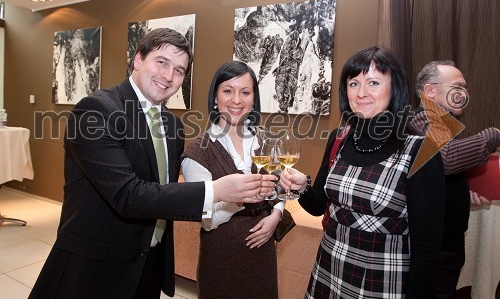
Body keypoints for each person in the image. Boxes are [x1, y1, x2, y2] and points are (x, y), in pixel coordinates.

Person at [29, 28, 275, 299]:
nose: (169, 76)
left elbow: (164, 195)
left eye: (179, 70)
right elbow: (127, 195)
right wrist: (216, 191)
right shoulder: (96, 111)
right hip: (95, 266)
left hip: (148, 264)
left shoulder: (173, 126)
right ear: (137, 60)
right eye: (161, 62)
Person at [280, 46, 446, 298]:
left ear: (395, 88)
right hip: (328, 272)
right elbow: (318, 206)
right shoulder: (339, 139)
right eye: (354, 83)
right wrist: (302, 186)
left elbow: (427, 249)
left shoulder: (420, 150)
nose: (362, 93)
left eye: (374, 82)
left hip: (382, 283)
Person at [181, 60, 284, 299]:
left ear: (253, 99)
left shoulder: (266, 140)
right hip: (222, 258)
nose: (237, 100)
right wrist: (241, 199)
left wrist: (276, 215)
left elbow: (279, 186)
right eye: (228, 91)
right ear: (215, 98)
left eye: (245, 92)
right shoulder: (198, 152)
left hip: (263, 256)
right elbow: (207, 220)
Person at [408, 60, 500, 298]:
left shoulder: (443, 125)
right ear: (430, 91)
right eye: (458, 86)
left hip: (447, 242)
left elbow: (437, 173)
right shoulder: (423, 118)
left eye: (466, 88)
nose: (464, 93)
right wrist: (494, 134)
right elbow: (447, 160)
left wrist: (464, 191)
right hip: (433, 247)